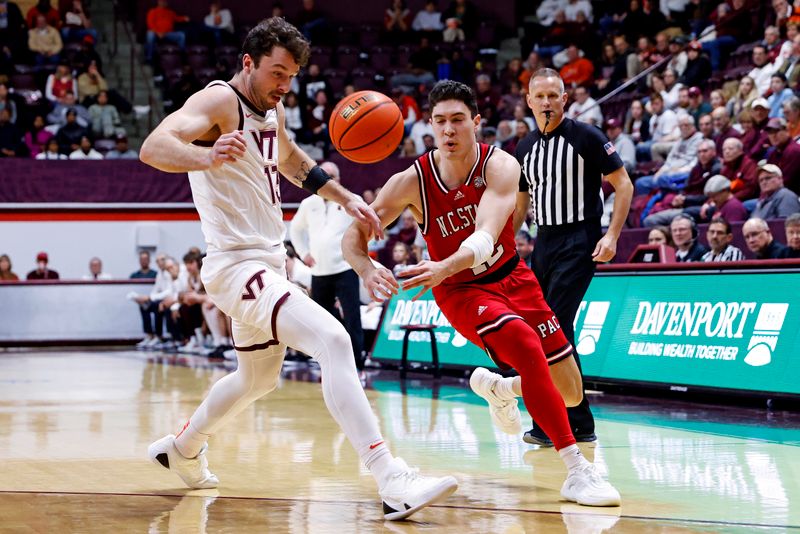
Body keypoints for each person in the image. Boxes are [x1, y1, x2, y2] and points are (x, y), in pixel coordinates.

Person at [138, 18, 456, 521]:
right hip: (235, 265)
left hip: (266, 261)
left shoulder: (272, 110)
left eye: (291, 77)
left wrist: (346, 196)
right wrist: (205, 155)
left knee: (256, 380)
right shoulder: (219, 100)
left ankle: (183, 446)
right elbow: (153, 147)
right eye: (276, 73)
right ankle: (389, 476)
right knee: (333, 340)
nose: (284, 85)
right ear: (249, 63)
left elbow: (291, 161)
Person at [342, 79, 621, 507]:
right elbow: (354, 235)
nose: (449, 130)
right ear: (430, 127)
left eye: (457, 120)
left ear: (476, 122)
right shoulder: (410, 181)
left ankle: (501, 389)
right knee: (526, 346)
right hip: (462, 291)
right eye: (440, 122)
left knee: (570, 392)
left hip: (512, 277)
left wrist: (441, 264)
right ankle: (578, 471)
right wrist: (364, 265)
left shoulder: (502, 165)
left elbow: (487, 236)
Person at [514, 68, 633, 447]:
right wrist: (503, 242)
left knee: (553, 325)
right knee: (546, 329)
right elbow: (520, 203)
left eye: (554, 95)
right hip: (543, 242)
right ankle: (576, 422)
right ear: (529, 101)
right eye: (540, 96)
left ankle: (556, 422)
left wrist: (611, 235)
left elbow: (624, 184)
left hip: (579, 239)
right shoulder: (524, 147)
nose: (547, 102)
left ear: (565, 99)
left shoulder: (587, 137)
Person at [289, 161, 366, 369]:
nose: (327, 179)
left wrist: (357, 254)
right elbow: (295, 230)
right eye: (323, 175)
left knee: (352, 316)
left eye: (331, 175)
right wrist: (304, 253)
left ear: (339, 179)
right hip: (319, 271)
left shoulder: (351, 200)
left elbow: (365, 228)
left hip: (345, 269)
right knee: (321, 320)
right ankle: (328, 359)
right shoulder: (308, 203)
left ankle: (357, 362)